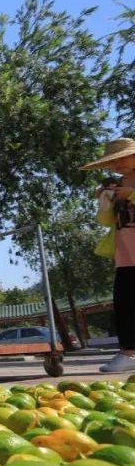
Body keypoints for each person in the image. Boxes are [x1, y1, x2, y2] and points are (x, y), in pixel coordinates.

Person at [85, 138, 135, 373]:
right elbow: (106, 221)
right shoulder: (115, 185)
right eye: (112, 161)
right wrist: (107, 200)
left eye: (121, 158)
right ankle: (129, 354)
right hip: (126, 255)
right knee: (123, 304)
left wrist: (131, 195)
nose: (117, 164)